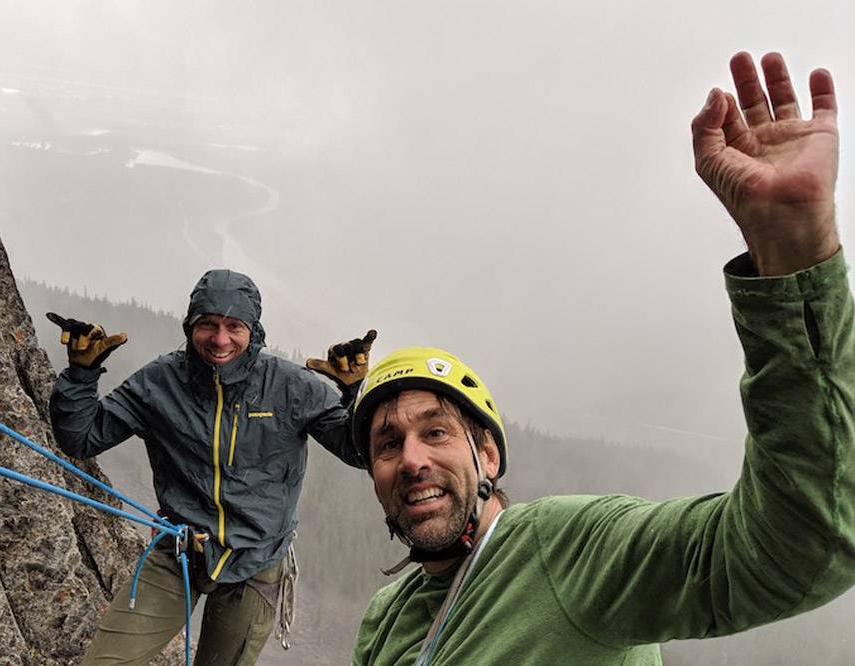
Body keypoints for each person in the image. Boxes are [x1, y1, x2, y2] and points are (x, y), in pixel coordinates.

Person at [350, 51, 855, 665]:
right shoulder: (387, 620)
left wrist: (793, 257)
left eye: (436, 432)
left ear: (486, 453)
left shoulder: (572, 553)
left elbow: (800, 543)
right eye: (386, 444)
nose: (411, 460)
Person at [47, 268, 374, 665]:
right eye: (208, 325)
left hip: (255, 564)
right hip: (178, 554)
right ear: (190, 327)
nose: (220, 339)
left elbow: (359, 451)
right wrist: (82, 374)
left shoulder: (291, 386)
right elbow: (81, 439)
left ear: (254, 331)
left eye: (234, 326)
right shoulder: (160, 383)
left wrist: (355, 395)